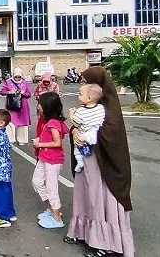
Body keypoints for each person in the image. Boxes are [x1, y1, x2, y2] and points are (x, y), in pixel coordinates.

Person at [64, 67, 135, 257]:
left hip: (105, 167)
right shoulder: (91, 107)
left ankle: (109, 244)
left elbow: (109, 136)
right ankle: (83, 233)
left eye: (85, 83)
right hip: (88, 159)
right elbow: (79, 125)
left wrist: (84, 136)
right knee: (85, 194)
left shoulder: (109, 109)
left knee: (101, 198)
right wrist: (75, 132)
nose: (83, 86)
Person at [32, 91, 69, 229]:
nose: (38, 107)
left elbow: (57, 142)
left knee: (51, 188)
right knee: (37, 182)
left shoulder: (53, 123)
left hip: (53, 160)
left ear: (47, 106)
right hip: (44, 157)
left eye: (40, 104)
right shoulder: (48, 121)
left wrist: (39, 144)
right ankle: (52, 209)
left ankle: (57, 218)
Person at [69, 84, 105, 173]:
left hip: (83, 134)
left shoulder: (81, 111)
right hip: (94, 134)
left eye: (80, 94)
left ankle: (80, 162)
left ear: (89, 98)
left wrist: (71, 113)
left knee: (77, 148)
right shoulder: (101, 108)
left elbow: (76, 123)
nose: (78, 96)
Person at [0, 68, 32, 145]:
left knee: (23, 122)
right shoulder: (8, 82)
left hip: (23, 105)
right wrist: (10, 92)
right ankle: (10, 139)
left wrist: (24, 93)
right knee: (10, 122)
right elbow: (2, 92)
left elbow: (29, 94)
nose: (17, 79)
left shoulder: (25, 83)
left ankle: (22, 140)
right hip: (11, 105)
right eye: (16, 77)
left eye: (19, 77)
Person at [34, 72, 62, 155]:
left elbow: (57, 96)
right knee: (41, 127)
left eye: (47, 81)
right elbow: (36, 94)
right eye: (44, 81)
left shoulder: (55, 85)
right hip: (43, 109)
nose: (46, 83)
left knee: (50, 130)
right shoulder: (39, 85)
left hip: (51, 109)